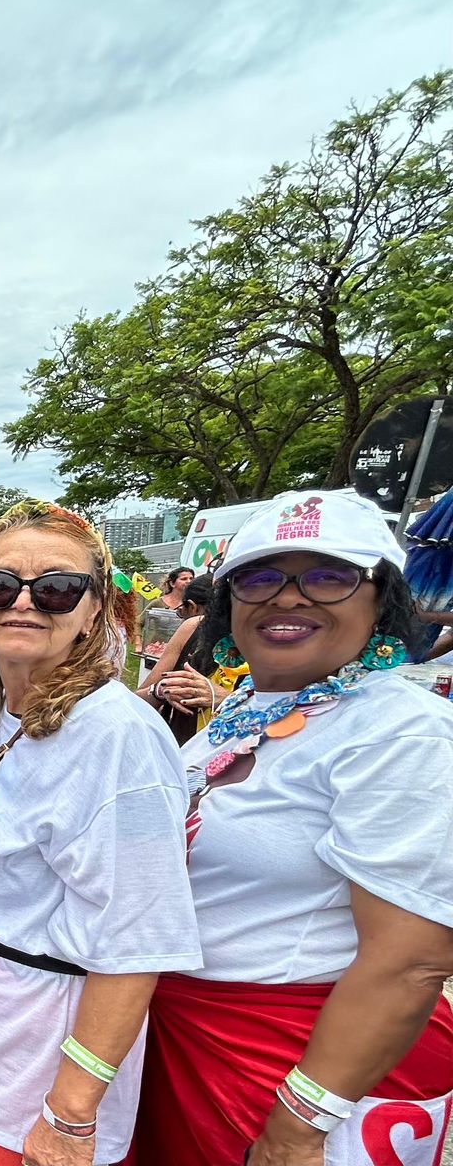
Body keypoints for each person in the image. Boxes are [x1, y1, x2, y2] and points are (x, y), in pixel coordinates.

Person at [131, 490, 453, 1166]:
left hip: (290, 1062)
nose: (287, 597)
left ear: (381, 598)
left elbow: (411, 961)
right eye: (260, 577)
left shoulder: (401, 730)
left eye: (328, 576)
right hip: (180, 1036)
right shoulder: (248, 704)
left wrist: (299, 1128)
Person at [0, 499, 201, 1166]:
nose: (24, 603)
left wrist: (70, 1114)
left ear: (95, 607)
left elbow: (138, 940)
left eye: (59, 587)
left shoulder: (114, 734)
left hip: (37, 1085)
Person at [133, 576, 238, 744]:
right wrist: (160, 690)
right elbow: (136, 704)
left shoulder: (280, 644)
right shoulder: (193, 627)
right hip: (183, 753)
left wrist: (227, 699)